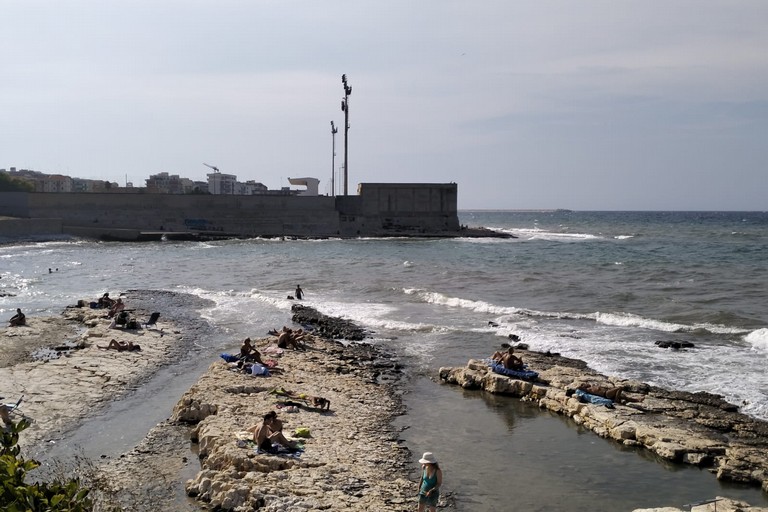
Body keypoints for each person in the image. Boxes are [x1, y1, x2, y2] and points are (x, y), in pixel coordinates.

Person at [571, 383, 643, 404]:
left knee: (624, 397)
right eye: (584, 384)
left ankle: (637, 400)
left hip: (608, 392)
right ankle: (616, 399)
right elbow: (578, 387)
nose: (586, 383)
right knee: (620, 388)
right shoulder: (587, 390)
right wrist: (581, 386)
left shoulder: (592, 386)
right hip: (606, 394)